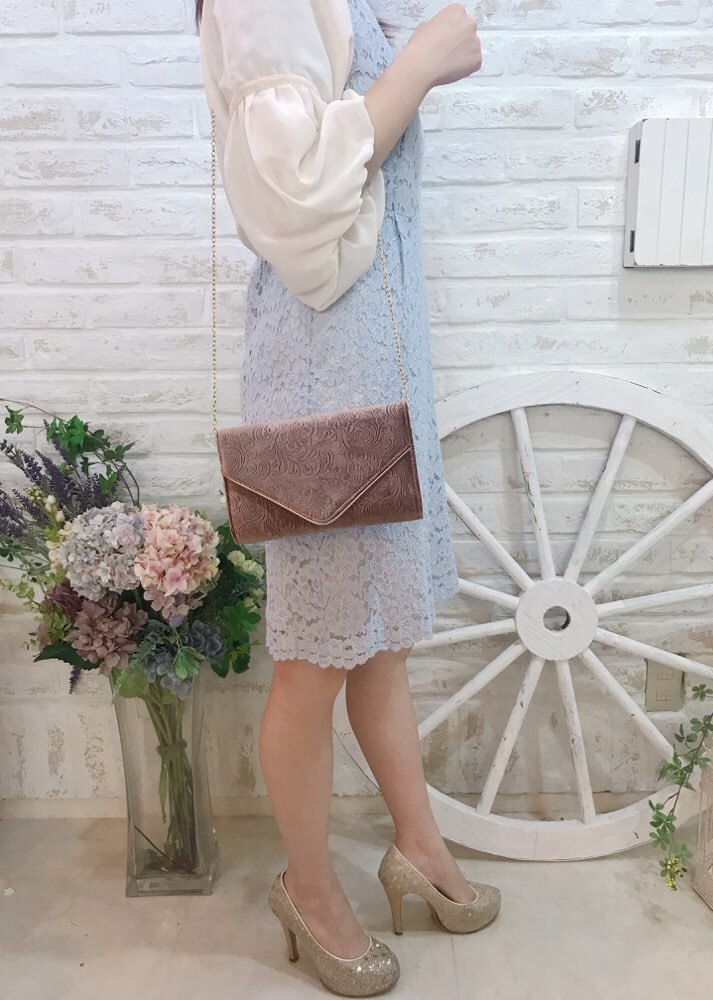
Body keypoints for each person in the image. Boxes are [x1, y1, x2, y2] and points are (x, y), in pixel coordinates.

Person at [198, 1, 500, 994]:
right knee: (314, 659)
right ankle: (309, 886)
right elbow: (288, 200)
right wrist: (417, 64)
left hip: (384, 350)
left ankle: (417, 843)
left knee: (380, 637)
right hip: (322, 368)